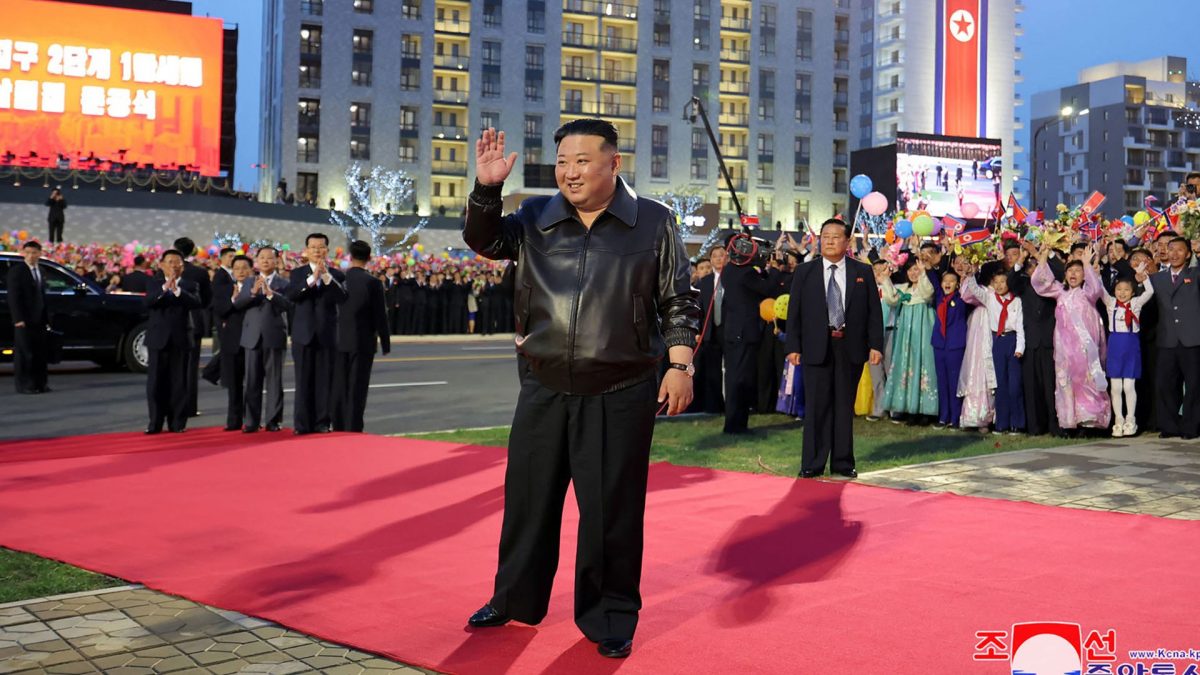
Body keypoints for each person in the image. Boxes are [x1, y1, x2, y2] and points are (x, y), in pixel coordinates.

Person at [461, 121, 699, 660]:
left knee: (611, 510)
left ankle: (611, 615)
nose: (569, 172)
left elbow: (679, 300)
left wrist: (680, 363)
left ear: (614, 163)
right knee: (528, 501)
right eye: (562, 161)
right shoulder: (533, 218)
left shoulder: (653, 222)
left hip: (620, 387)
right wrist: (487, 187)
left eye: (582, 160)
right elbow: (483, 240)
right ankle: (513, 598)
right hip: (543, 385)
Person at [785, 218, 884, 478]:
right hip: (816, 346)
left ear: (847, 241)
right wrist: (793, 346)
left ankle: (842, 463)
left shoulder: (861, 272)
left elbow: (874, 312)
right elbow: (794, 312)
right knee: (817, 407)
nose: (828, 241)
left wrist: (875, 345)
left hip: (849, 346)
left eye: (835, 236)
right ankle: (812, 463)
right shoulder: (806, 272)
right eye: (825, 236)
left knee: (843, 406)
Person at [1032, 245, 1110, 432]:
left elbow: (1096, 287)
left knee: (1087, 379)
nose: (1074, 274)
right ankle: (1069, 421)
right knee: (1065, 380)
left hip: (1085, 347)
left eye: (1078, 271)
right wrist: (1042, 259)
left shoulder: (1087, 294)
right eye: (1070, 271)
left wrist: (1087, 264)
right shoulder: (1060, 292)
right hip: (1064, 349)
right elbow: (1040, 284)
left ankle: (1090, 420)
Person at [718, 236, 781, 434]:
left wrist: (763, 268)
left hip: (735, 332)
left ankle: (737, 423)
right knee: (739, 379)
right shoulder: (745, 274)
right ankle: (735, 425)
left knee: (737, 378)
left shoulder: (729, 270)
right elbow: (768, 288)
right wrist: (776, 269)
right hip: (743, 333)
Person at [286, 233, 346, 434]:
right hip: (303, 335)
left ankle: (322, 422)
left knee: (324, 382)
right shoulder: (297, 274)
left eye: (321, 247)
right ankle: (301, 424)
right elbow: (292, 296)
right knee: (303, 382)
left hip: (326, 335)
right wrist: (313, 279)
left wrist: (326, 276)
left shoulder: (337, 275)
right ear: (306, 250)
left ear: (327, 250)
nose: (317, 251)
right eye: (313, 247)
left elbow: (341, 298)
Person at [332, 240, 391, 432]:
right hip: (363, 339)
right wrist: (385, 341)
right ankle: (353, 425)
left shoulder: (339, 280)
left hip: (339, 338)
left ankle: (338, 424)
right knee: (358, 386)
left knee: (340, 385)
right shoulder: (372, 283)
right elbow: (380, 314)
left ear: (350, 257)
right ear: (369, 258)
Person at [1147, 236, 1200, 439]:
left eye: (1180, 250)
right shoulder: (1156, 278)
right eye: (1171, 250)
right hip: (1167, 339)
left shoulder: (1195, 274)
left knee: (1194, 385)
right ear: (1166, 253)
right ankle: (1169, 426)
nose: (1175, 254)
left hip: (1192, 338)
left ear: (1188, 254)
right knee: (1164, 384)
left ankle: (1191, 427)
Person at [144, 249, 201, 434]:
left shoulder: (190, 285)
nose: (174, 266)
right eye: (170, 262)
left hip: (181, 339)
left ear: (182, 266)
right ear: (161, 265)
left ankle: (177, 423)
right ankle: (155, 423)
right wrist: (164, 289)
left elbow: (195, 303)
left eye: (177, 262)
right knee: (155, 384)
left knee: (179, 383)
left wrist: (177, 291)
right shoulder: (154, 284)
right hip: (158, 339)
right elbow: (148, 302)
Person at [962, 266, 1026, 434]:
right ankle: (1001, 424)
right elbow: (975, 290)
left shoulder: (1016, 301)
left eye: (1002, 282)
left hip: (1012, 341)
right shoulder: (990, 298)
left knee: (1014, 385)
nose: (999, 285)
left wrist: (1020, 347)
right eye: (995, 282)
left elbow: (1020, 327)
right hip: (997, 342)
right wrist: (970, 276)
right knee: (1000, 385)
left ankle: (1017, 423)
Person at [238, 247, 292, 433]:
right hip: (252, 337)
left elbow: (288, 305)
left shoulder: (283, 283)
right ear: (257, 261)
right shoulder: (249, 281)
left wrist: (270, 294)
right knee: (252, 381)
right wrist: (252, 293)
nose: (265, 261)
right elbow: (238, 304)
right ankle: (251, 422)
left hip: (274, 336)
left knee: (274, 381)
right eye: (262, 257)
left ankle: (273, 421)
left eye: (270, 258)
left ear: (277, 261)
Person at [878, 261, 937, 421]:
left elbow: (927, 294)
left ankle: (925, 410)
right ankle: (908, 408)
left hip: (923, 331)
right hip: (906, 334)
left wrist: (924, 273)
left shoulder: (926, 286)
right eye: (910, 270)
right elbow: (891, 299)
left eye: (916, 269)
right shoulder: (904, 288)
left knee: (924, 364)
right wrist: (886, 280)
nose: (913, 273)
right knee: (907, 365)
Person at [1101, 270, 1154, 437]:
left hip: (1131, 346)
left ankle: (1131, 419)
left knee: (1129, 386)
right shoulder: (1110, 303)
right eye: (1118, 289)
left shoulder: (1136, 303)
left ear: (1132, 292)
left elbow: (1150, 292)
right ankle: (1118, 420)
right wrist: (1094, 272)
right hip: (1115, 346)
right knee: (1115, 387)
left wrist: (1143, 278)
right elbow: (1099, 289)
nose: (1122, 293)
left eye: (1126, 290)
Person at [212, 254, 253, 431]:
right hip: (232, 341)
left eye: (244, 268)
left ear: (251, 270)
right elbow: (220, 310)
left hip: (253, 340)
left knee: (253, 383)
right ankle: (234, 420)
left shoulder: (256, 287)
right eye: (237, 269)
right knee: (234, 385)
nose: (241, 271)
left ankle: (252, 420)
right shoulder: (227, 289)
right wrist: (232, 300)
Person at [174, 237, 212, 417]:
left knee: (172, 366)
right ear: (192, 251)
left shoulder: (164, 270)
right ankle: (189, 407)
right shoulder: (200, 273)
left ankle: (173, 405)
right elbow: (206, 300)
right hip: (193, 322)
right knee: (191, 367)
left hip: (171, 323)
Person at [7, 240, 50, 394]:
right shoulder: (17, 271)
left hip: (39, 319)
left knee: (40, 353)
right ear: (23, 253)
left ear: (40, 254)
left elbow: (43, 295)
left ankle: (40, 383)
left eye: (34, 253)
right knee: (25, 353)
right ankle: (25, 385)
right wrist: (18, 319)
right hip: (23, 320)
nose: (31, 256)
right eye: (28, 253)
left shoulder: (42, 271)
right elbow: (13, 297)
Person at [689, 246, 728, 414]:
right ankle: (714, 406)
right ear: (710, 260)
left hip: (730, 330)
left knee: (732, 370)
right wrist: (698, 330)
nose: (719, 259)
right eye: (715, 256)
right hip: (710, 331)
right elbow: (700, 308)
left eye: (722, 255)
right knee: (712, 371)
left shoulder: (733, 278)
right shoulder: (705, 282)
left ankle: (732, 404)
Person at [930, 269, 969, 428]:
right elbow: (933, 279)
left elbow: (969, 291)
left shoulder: (961, 300)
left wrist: (966, 277)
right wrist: (928, 266)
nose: (947, 283)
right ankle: (943, 416)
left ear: (957, 284)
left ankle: (955, 417)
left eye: (952, 281)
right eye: (945, 280)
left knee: (954, 382)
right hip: (940, 344)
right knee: (942, 381)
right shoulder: (939, 297)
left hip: (955, 345)